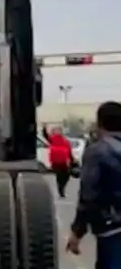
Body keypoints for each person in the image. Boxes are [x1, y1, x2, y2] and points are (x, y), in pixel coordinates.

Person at [67, 101, 121, 268]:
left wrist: (77, 232)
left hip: (112, 227)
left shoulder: (97, 152)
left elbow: (89, 196)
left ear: (100, 123)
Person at [43, 125, 73, 198]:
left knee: (66, 176)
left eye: (59, 130)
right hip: (56, 161)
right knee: (59, 176)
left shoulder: (65, 141)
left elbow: (69, 151)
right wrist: (44, 128)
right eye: (56, 130)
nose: (58, 132)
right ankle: (61, 190)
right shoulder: (52, 139)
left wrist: (72, 159)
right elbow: (45, 136)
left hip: (64, 162)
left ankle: (62, 187)